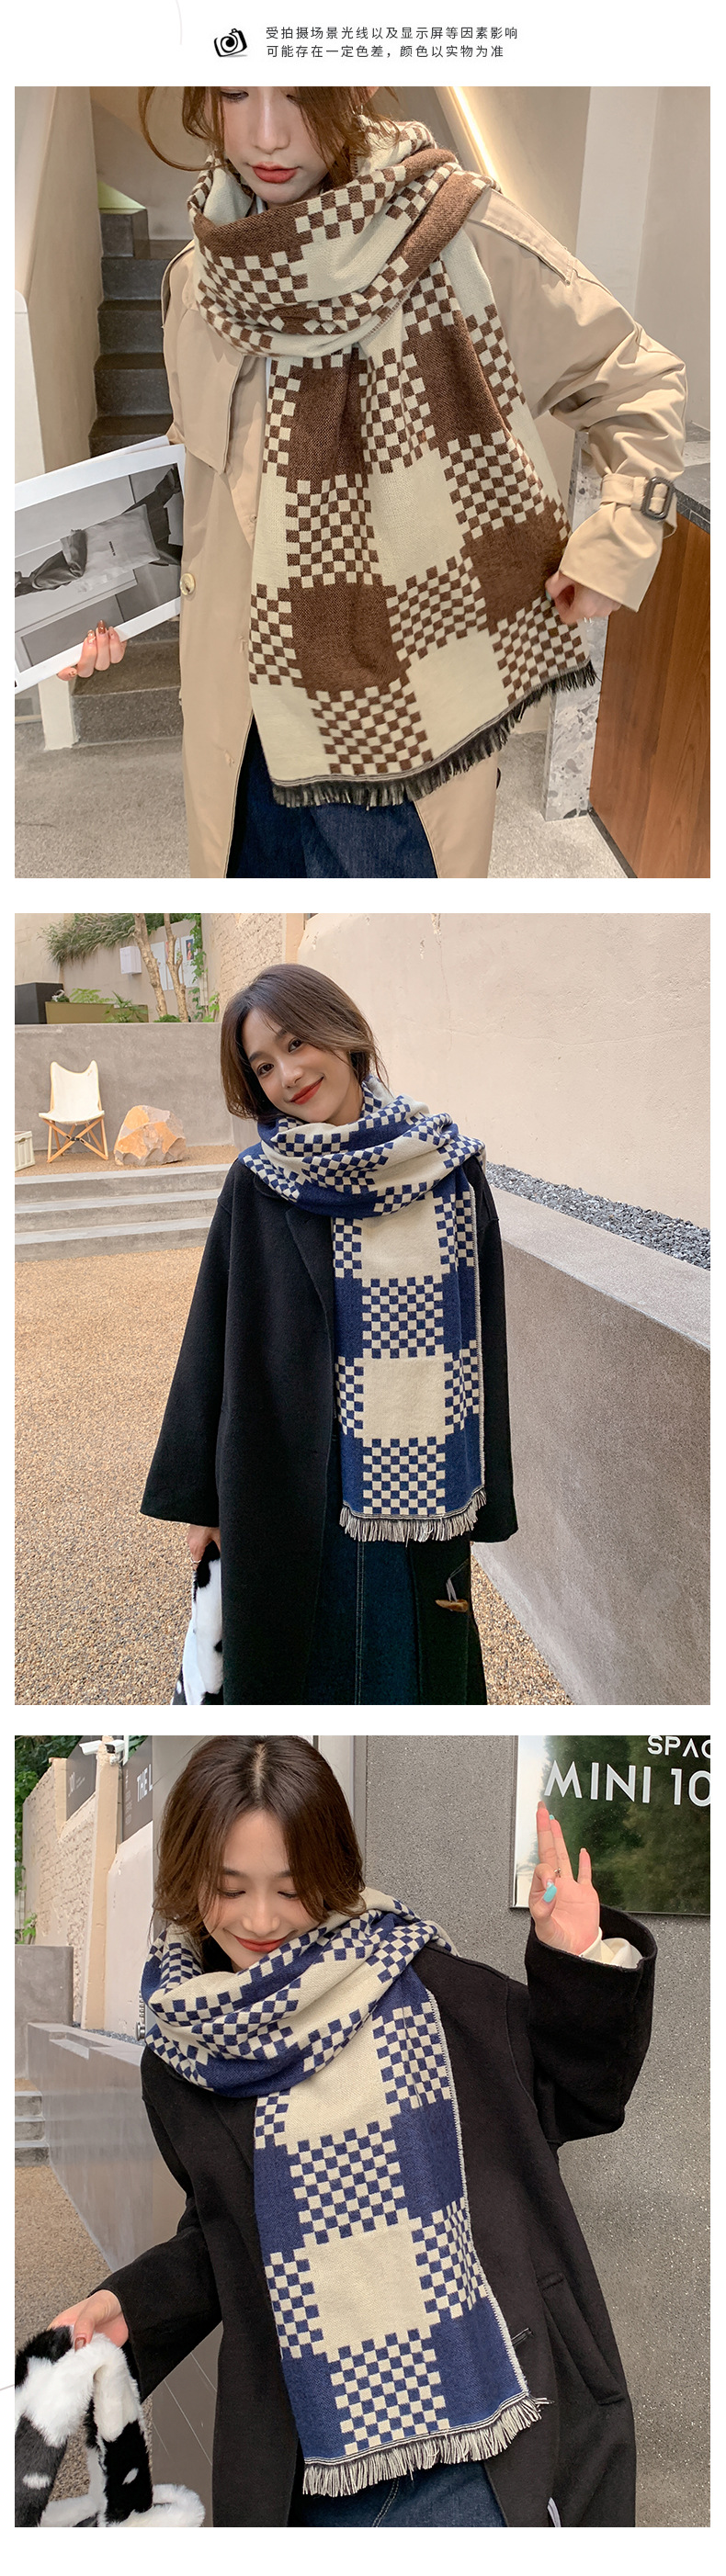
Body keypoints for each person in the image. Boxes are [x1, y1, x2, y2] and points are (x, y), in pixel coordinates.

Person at [61, 86, 686, 881]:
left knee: (399, 944)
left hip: (404, 734)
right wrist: (100, 601)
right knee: (260, 926)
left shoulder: (458, 236)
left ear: (353, 86)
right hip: (245, 726)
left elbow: (637, 378)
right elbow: (207, 487)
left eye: (299, 94)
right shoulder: (202, 277)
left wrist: (619, 542)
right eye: (234, 92)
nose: (265, 133)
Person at [51, 1735, 656, 2527]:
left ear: (331, 1872)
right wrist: (129, 2304)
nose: (259, 1919)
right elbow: (225, 2235)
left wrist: (580, 1960)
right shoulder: (185, 2056)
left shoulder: (434, 1991)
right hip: (309, 2472)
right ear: (186, 1879)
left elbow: (582, 2099)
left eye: (290, 1887)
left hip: (482, 2452)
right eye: (228, 1889)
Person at [139, 960, 517, 1705]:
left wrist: (489, 1490)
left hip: (414, 1483)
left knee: (409, 1673)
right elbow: (211, 1335)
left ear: (342, 1033)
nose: (288, 1075)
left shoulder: (448, 1170)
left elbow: (483, 1342)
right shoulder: (259, 1181)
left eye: (296, 1043)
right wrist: (203, 1502)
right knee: (294, 1677)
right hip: (288, 1477)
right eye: (263, 1065)